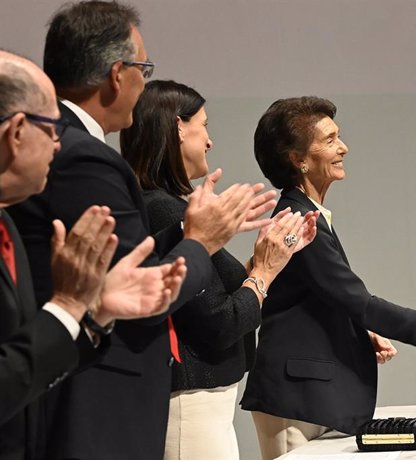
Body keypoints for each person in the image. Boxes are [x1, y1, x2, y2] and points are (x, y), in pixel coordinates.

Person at [7, 2, 276, 459]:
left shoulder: (83, 153)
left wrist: (198, 235)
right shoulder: (84, 156)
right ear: (117, 73)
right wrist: (201, 242)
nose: (51, 141)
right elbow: (147, 296)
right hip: (95, 398)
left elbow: (118, 274)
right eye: (143, 68)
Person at [240, 96, 416, 459]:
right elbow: (357, 300)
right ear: (298, 159)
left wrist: (358, 332)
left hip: (312, 396)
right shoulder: (297, 219)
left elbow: (321, 300)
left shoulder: (309, 214)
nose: (344, 147)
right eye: (330, 139)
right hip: (297, 400)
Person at [0, 50, 187, 459]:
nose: (58, 142)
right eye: (51, 127)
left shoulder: (8, 224)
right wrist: (67, 306)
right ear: (16, 132)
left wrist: (95, 311)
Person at [120, 80, 318, 460]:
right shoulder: (164, 210)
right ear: (178, 127)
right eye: (204, 125)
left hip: (202, 404)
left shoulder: (168, 206)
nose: (210, 140)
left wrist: (265, 257)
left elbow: (208, 294)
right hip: (189, 406)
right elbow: (219, 322)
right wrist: (264, 273)